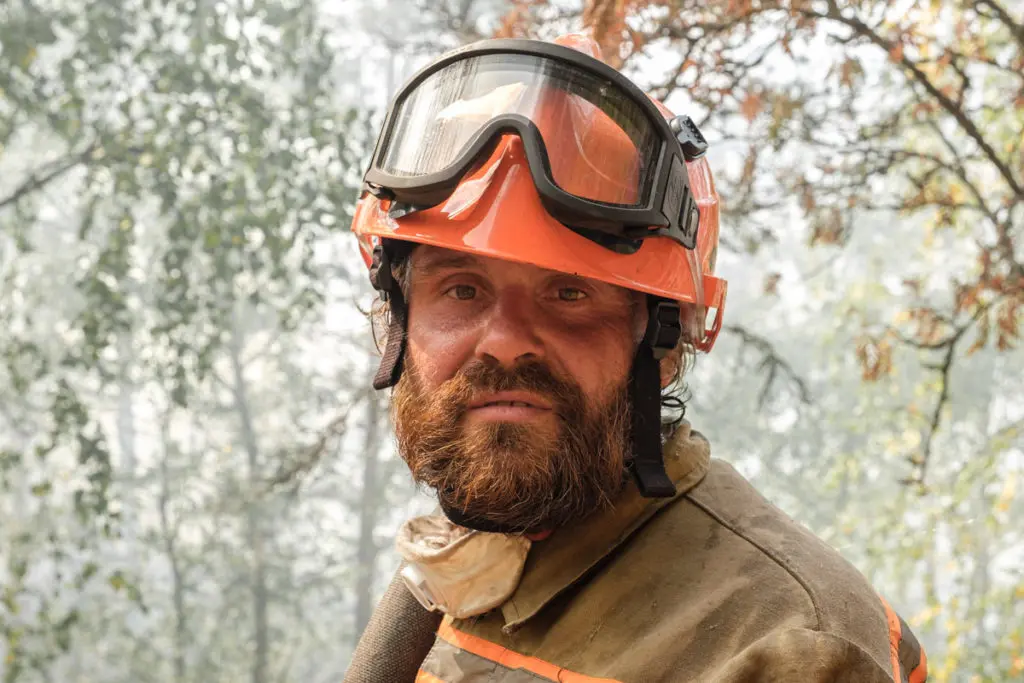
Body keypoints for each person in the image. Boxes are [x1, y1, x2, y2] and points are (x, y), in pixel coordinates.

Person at [344, 32, 928, 683]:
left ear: (662, 344)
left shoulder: (785, 646)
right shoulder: (464, 565)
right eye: (461, 288)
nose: (504, 339)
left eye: (569, 293)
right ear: (398, 320)